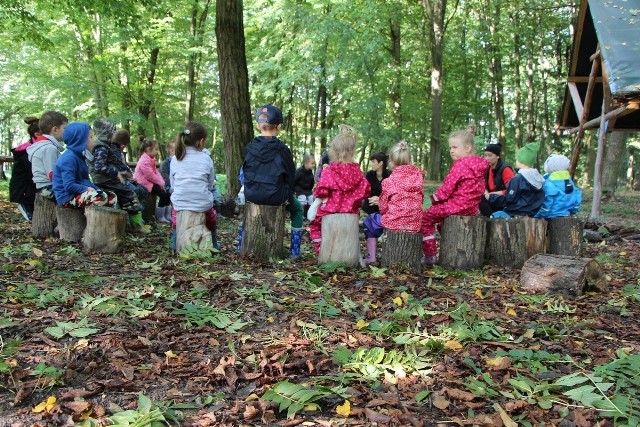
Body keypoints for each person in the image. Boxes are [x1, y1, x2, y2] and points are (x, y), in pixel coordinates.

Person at [241, 104, 304, 258]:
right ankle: (295, 251)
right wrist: (289, 195)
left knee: (243, 209)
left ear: (258, 126)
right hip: (277, 196)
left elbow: (244, 173)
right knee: (298, 210)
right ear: (278, 127)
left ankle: (240, 244)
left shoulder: (250, 148)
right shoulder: (283, 150)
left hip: (252, 194)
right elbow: (290, 177)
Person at [421, 130, 489, 265]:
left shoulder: (460, 165)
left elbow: (446, 189)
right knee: (441, 221)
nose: (451, 151)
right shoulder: (479, 167)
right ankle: (450, 243)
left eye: (455, 147)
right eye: (450, 147)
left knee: (425, 218)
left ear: (468, 148)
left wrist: (434, 199)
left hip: (456, 206)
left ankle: (430, 254)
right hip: (471, 209)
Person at [308, 124, 370, 254]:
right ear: (352, 151)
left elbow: (322, 191)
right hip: (351, 213)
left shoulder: (330, 170)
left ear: (334, 151)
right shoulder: (357, 171)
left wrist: (318, 201)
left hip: (330, 212)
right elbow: (366, 190)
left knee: (314, 224)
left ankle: (322, 251)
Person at [362, 141, 424, 264]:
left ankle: (371, 257)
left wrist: (380, 203)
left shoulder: (389, 181)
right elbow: (420, 199)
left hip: (395, 221)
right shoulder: (418, 178)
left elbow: (384, 208)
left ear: (391, 162)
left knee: (369, 221)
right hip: (415, 222)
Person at [170, 121, 219, 250]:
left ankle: (175, 244)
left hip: (180, 203)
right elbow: (210, 184)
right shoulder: (206, 159)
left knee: (175, 222)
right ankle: (214, 245)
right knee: (212, 220)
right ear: (201, 141)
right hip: (202, 203)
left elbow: (173, 183)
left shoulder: (176, 158)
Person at [91, 118, 145, 234]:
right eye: (112, 132)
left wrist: (121, 173)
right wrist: (116, 173)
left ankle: (131, 224)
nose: (114, 135)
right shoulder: (101, 147)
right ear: (107, 132)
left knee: (127, 195)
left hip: (108, 179)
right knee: (130, 194)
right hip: (105, 181)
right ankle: (136, 226)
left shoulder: (105, 145)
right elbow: (99, 166)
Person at [52, 122, 117, 209]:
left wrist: (97, 189)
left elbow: (85, 180)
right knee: (101, 197)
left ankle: (104, 221)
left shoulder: (79, 156)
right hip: (67, 197)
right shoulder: (68, 159)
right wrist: (87, 189)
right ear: (80, 141)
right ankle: (93, 221)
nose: (93, 140)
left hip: (78, 193)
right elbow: (69, 185)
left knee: (111, 196)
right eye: (90, 137)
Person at [490, 142, 545, 218]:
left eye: (517, 159)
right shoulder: (539, 179)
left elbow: (509, 200)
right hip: (532, 214)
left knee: (493, 216)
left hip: (514, 213)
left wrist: (491, 197)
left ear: (520, 161)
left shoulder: (517, 179)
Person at [27, 111, 68, 201]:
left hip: (44, 187)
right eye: (65, 128)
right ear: (55, 130)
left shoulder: (44, 145)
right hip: (48, 188)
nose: (67, 131)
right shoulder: (49, 148)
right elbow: (52, 174)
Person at [134, 137, 172, 223]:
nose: (157, 151)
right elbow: (150, 175)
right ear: (149, 149)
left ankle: (166, 215)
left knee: (167, 194)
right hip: (144, 183)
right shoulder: (144, 161)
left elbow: (155, 172)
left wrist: (161, 182)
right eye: (156, 149)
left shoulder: (150, 159)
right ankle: (160, 216)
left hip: (150, 182)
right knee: (163, 195)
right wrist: (161, 182)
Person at [10, 117, 40, 221]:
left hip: (31, 191)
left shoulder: (35, 149)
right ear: (37, 135)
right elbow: (32, 176)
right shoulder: (27, 153)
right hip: (25, 194)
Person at [535, 154, 582, 219]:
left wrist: (539, 214)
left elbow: (547, 201)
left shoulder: (549, 183)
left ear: (552, 166)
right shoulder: (569, 181)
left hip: (551, 215)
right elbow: (577, 197)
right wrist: (573, 211)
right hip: (566, 214)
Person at [479, 143, 516, 216]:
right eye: (485, 155)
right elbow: (482, 184)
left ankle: (491, 219)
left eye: (490, 155)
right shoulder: (486, 168)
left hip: (504, 200)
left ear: (497, 156)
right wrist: (485, 191)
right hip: (491, 198)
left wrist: (493, 194)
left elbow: (513, 190)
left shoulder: (505, 169)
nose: (486, 158)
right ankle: (489, 218)